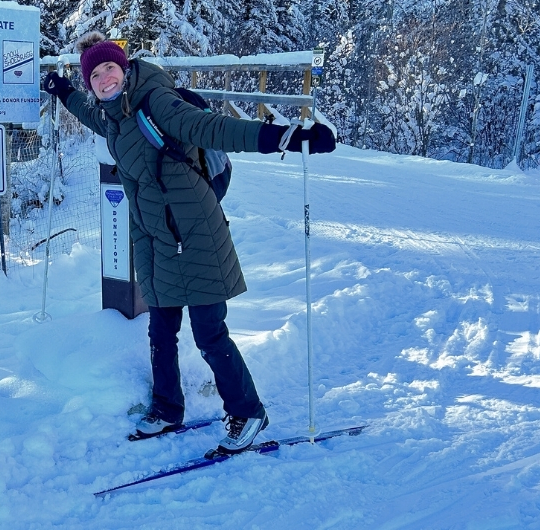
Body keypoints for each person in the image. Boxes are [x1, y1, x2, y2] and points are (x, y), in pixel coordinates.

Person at [41, 32, 336, 454]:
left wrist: (286, 137)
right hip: (157, 239)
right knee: (161, 331)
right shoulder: (113, 115)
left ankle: (248, 411)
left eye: (110, 68)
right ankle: (167, 408)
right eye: (95, 74)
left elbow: (212, 128)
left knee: (209, 332)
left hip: (196, 232)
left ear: (123, 68)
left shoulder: (155, 101)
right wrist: (64, 89)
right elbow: (90, 114)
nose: (104, 78)